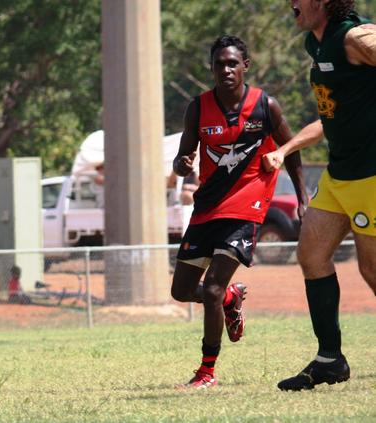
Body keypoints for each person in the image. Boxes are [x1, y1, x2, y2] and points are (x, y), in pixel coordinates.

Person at [170, 35, 307, 389]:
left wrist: (304, 198)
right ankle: (233, 298)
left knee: (212, 288)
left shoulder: (266, 106)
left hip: (249, 203)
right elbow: (183, 159)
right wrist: (182, 164)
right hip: (207, 208)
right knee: (182, 291)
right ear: (212, 68)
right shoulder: (198, 108)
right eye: (220, 64)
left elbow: (291, 150)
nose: (226, 69)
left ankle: (206, 372)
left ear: (246, 66)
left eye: (233, 63)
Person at [262, 0, 376, 391]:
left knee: (372, 271)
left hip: (371, 177)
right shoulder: (317, 44)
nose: (291, 2)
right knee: (311, 255)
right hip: (339, 175)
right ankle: (330, 360)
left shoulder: (353, 35)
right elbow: (331, 117)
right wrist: (285, 148)